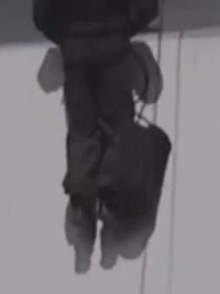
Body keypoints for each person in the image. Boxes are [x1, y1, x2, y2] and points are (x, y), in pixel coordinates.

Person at [33, 0, 159, 269]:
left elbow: (42, 15)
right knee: (97, 136)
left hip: (84, 46)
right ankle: (90, 223)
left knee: (90, 137)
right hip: (103, 46)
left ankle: (88, 224)